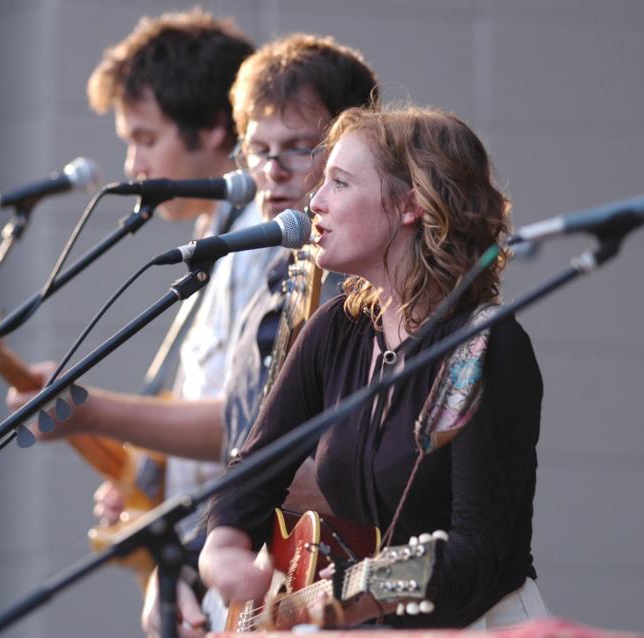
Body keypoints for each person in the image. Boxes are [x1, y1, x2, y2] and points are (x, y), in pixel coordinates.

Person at [201, 105, 548, 630]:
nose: (314, 202)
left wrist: (362, 598)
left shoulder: (486, 344)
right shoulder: (334, 328)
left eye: (338, 183)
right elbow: (253, 472)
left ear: (411, 204)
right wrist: (224, 549)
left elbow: (478, 550)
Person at [7, 10, 256, 535]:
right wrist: (150, 485)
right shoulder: (220, 238)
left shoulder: (255, 242)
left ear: (214, 126)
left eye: (145, 138)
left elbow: (250, 423)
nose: (132, 164)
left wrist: (94, 413)